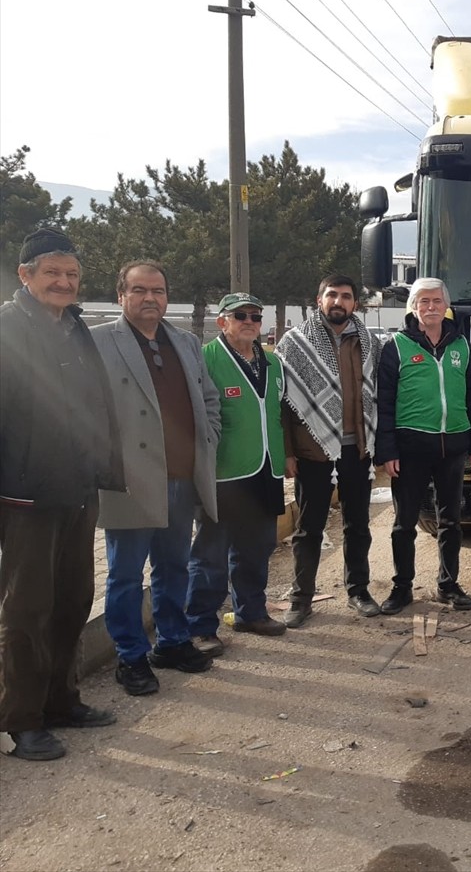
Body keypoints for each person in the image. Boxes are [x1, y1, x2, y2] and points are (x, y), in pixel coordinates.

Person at [0, 229, 124, 761]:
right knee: (26, 610)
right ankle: (21, 721)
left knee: (73, 599)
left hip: (77, 488)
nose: (63, 282)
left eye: (71, 275)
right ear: (25, 275)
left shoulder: (76, 329)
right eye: (52, 272)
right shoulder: (8, 328)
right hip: (25, 497)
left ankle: (61, 701)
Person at [94, 260, 222, 696]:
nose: (150, 298)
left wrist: (208, 435)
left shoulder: (185, 342)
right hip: (129, 480)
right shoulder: (98, 342)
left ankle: (171, 641)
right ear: (121, 295)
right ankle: (130, 656)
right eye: (140, 290)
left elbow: (208, 397)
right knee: (125, 575)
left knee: (173, 567)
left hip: (182, 477)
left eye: (158, 291)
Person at [376, 278, 471, 612]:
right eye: (423, 301)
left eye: (436, 301)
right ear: (413, 307)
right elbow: (384, 403)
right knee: (404, 523)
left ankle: (448, 584)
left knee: (451, 521)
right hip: (410, 448)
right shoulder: (396, 346)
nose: (430, 307)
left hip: (453, 447)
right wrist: (388, 451)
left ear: (446, 306)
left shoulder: (462, 346)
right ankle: (402, 587)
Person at [276, 275, 382, 627]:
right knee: (309, 529)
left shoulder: (368, 341)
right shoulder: (295, 343)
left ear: (355, 304)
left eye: (346, 296)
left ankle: (359, 591)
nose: (339, 301)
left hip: (359, 450)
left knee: (358, 525)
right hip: (315, 452)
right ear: (319, 299)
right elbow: (284, 405)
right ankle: (301, 599)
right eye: (332, 295)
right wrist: (288, 452)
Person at [186, 293, 288, 649]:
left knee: (258, 548)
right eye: (240, 315)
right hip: (223, 473)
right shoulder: (205, 360)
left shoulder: (273, 363)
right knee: (211, 554)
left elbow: (279, 415)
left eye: (255, 316)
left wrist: (287, 456)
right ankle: (200, 625)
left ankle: (251, 613)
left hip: (266, 470)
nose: (249, 321)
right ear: (222, 322)